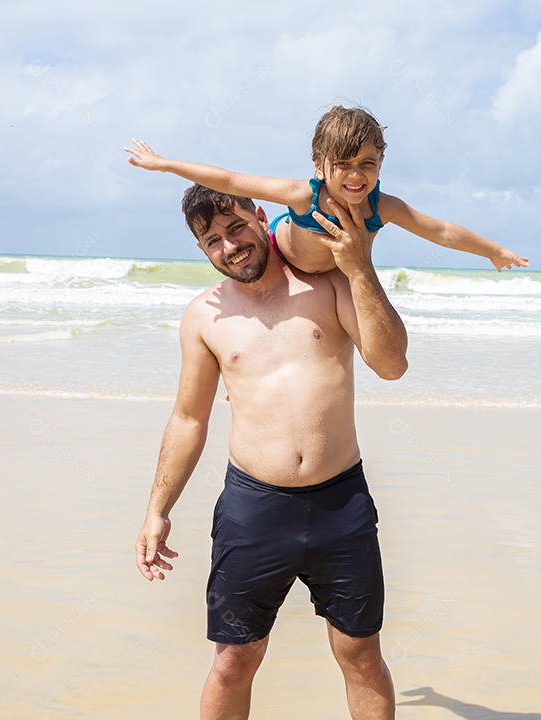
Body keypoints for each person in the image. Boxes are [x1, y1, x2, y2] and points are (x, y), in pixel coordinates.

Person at [135, 183, 408, 719]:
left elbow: (392, 363)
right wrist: (156, 510)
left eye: (236, 227)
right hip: (254, 510)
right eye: (212, 240)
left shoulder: (327, 284)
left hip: (341, 504)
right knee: (234, 660)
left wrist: (358, 268)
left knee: (362, 657)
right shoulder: (204, 317)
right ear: (202, 251)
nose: (229, 246)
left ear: (261, 217)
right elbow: (190, 417)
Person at [125, 104, 528, 275]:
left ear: (381, 163)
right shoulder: (302, 194)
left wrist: (493, 251)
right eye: (343, 165)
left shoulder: (381, 206)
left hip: (331, 271)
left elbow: (438, 230)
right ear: (319, 165)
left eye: (366, 164)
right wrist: (164, 164)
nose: (356, 177)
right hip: (282, 256)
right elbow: (229, 180)